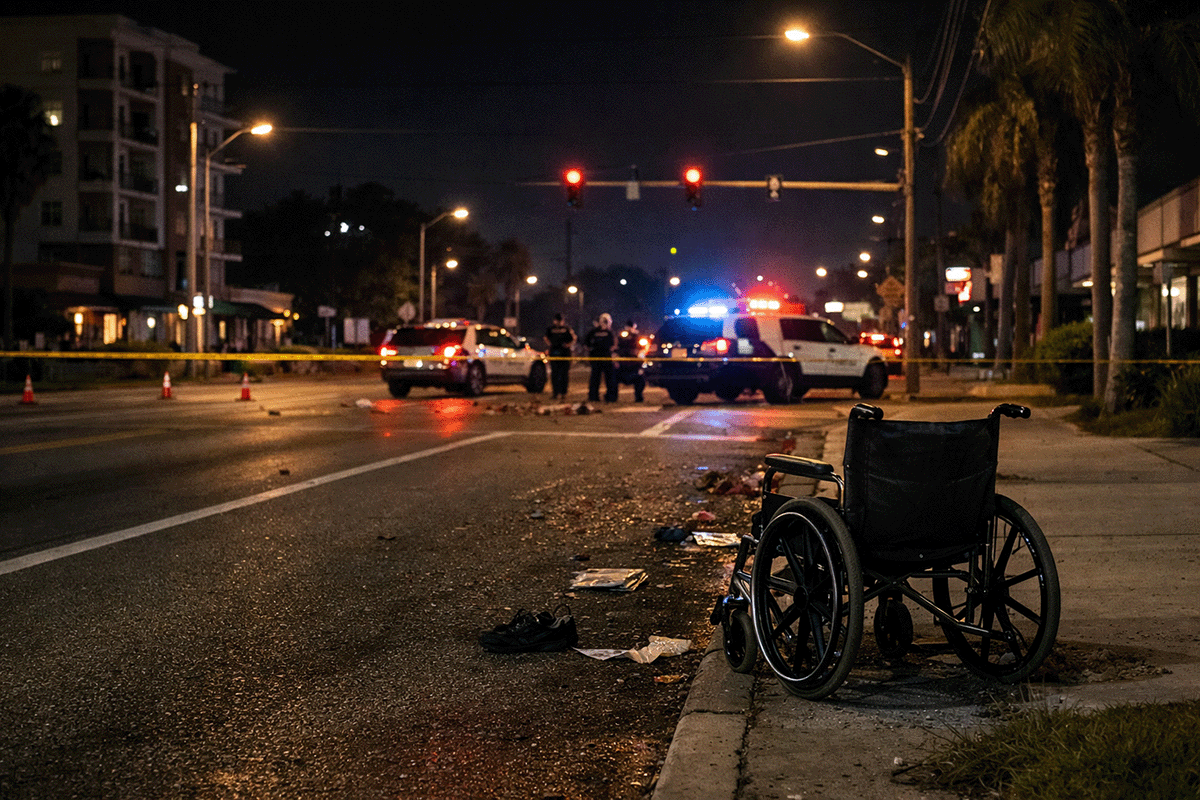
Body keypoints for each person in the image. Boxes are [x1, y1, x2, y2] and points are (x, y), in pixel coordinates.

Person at [583, 312, 617, 402]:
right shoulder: (594, 332)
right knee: (595, 379)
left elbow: (615, 344)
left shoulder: (610, 332)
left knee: (609, 379)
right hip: (596, 358)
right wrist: (590, 350)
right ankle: (593, 397)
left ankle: (610, 397)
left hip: (606, 358)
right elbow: (586, 343)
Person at [543, 313, 576, 400]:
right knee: (555, 374)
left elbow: (574, 338)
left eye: (560, 321)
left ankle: (563, 393)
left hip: (565, 354)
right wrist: (551, 345)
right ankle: (555, 393)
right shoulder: (551, 329)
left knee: (564, 374)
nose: (558, 322)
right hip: (554, 353)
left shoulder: (566, 329)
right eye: (557, 320)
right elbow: (545, 338)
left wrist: (568, 345)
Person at [614, 320, 646, 402]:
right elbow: (617, 348)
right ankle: (612, 397)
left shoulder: (637, 337)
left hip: (634, 364)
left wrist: (641, 361)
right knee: (613, 378)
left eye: (631, 327)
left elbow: (642, 350)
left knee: (640, 379)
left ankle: (639, 397)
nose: (630, 329)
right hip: (622, 364)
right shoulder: (621, 337)